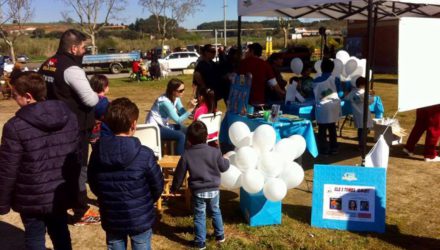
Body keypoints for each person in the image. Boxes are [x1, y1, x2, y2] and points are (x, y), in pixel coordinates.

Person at [0, 72, 80, 250]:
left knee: (35, 236)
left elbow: (7, 169)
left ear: (28, 97)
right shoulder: (69, 117)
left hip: (32, 196)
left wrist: (2, 202)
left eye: (15, 96)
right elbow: (76, 159)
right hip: (59, 192)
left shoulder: (14, 127)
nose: (14, 100)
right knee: (60, 232)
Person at [39, 29, 100, 225]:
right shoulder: (72, 69)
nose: (85, 51)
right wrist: (97, 95)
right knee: (78, 168)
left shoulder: (48, 64)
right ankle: (81, 209)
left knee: (59, 167)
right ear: (74, 48)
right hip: (75, 128)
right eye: (84, 48)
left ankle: (61, 204)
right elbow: (90, 100)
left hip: (53, 124)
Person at [88, 97, 164, 250]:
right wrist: (146, 202)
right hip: (140, 218)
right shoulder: (145, 154)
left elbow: (93, 183)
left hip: (112, 216)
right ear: (134, 124)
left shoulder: (98, 153)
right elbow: (157, 185)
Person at [171, 121, 229, 250]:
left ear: (189, 139)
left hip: (198, 191)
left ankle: (200, 242)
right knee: (216, 211)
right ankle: (220, 235)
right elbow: (224, 167)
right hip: (214, 190)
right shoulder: (215, 152)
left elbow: (179, 173)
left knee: (199, 216)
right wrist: (227, 160)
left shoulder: (187, 154)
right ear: (207, 136)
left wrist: (174, 187)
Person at [146, 78, 197, 155]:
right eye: (180, 91)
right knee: (181, 136)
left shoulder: (176, 98)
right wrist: (189, 110)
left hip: (162, 125)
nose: (183, 92)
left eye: (184, 89)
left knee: (186, 130)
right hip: (155, 128)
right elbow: (178, 120)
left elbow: (182, 112)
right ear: (173, 91)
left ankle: (189, 154)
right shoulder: (165, 102)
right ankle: (180, 160)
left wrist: (192, 109)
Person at [313, 58, 340, 155]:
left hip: (321, 107)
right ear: (333, 69)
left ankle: (323, 149)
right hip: (333, 106)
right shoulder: (335, 79)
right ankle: (334, 148)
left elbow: (314, 94)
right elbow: (340, 93)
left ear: (321, 68)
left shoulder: (315, 80)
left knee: (322, 129)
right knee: (332, 127)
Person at [344, 77, 373, 147]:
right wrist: (372, 95)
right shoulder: (363, 93)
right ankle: (362, 145)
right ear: (364, 85)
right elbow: (371, 101)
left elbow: (346, 98)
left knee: (360, 130)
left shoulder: (353, 92)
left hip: (357, 113)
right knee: (364, 130)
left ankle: (360, 144)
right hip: (364, 113)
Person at [89, 74, 110, 144]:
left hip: (90, 131)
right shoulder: (103, 101)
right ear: (104, 87)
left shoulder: (89, 99)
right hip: (100, 132)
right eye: (107, 86)